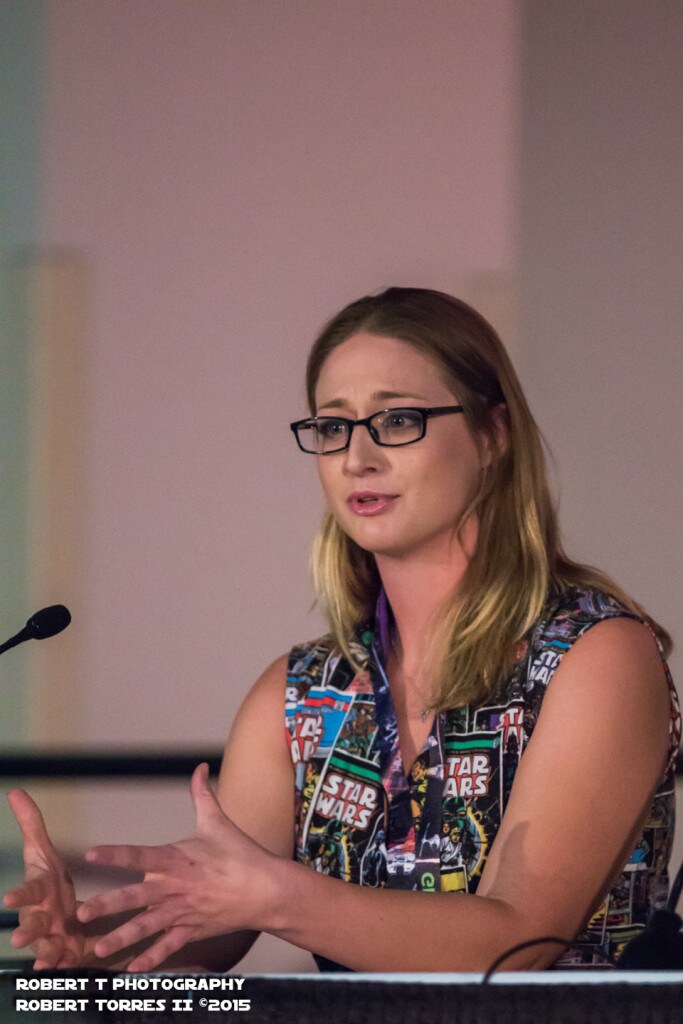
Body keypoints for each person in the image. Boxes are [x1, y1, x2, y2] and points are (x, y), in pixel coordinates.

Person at [4, 287, 680, 973]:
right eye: (333, 428)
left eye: (396, 420)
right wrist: (87, 954)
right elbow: (199, 946)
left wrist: (281, 900)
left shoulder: (595, 656)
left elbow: (512, 948)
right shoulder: (301, 694)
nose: (357, 456)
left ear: (491, 435)